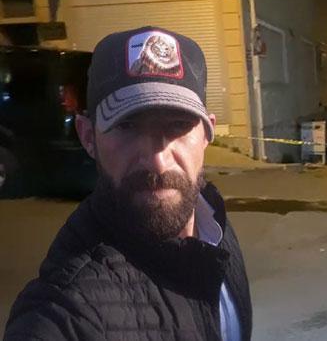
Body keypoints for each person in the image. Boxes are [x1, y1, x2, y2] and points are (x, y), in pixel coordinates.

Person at [4, 27, 252, 340]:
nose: (157, 161)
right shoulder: (65, 309)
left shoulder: (216, 227)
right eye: (128, 126)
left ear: (207, 133)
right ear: (87, 136)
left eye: (178, 125)